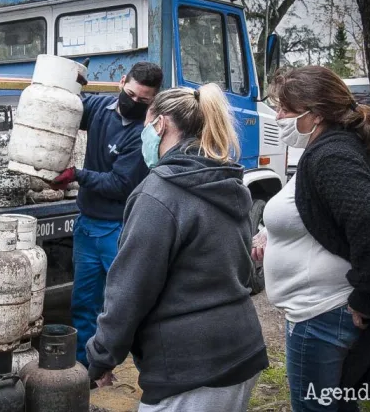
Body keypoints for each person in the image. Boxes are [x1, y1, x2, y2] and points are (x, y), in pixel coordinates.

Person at [86, 83, 269, 411]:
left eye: (146, 125)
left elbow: (129, 292)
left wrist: (100, 358)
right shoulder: (227, 180)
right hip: (242, 350)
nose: (144, 135)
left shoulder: (158, 194)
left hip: (192, 368)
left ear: (161, 124)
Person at [252, 66, 370, 412]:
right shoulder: (326, 147)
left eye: (286, 110)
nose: (277, 117)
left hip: (321, 315)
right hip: (322, 313)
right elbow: (320, 215)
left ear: (315, 114)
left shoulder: (333, 155)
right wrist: (271, 235)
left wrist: (364, 296)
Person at [50, 62, 163, 369]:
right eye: (131, 94)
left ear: (154, 100)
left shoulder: (144, 135)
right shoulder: (100, 106)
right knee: (83, 301)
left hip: (119, 228)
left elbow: (119, 184)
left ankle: (138, 365)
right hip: (87, 226)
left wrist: (76, 174)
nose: (134, 103)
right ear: (122, 82)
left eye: (144, 101)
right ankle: (87, 368)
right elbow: (68, 110)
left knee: (124, 304)